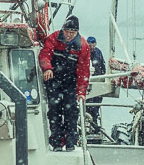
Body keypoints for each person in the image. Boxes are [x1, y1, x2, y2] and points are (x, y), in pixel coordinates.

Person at [40, 15, 91, 150]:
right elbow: (45, 54)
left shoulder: (83, 46)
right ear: (63, 30)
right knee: (54, 112)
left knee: (71, 112)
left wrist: (81, 92)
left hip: (70, 83)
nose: (68, 35)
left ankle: (70, 142)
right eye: (67, 31)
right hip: (54, 81)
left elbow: (83, 72)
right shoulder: (54, 38)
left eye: (72, 32)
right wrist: (47, 69)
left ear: (76, 32)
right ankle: (56, 142)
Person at [85, 35, 106, 125]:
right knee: (88, 102)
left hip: (97, 80)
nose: (91, 46)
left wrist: (103, 77)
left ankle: (94, 120)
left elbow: (103, 65)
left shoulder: (98, 52)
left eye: (93, 44)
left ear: (95, 44)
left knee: (97, 102)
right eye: (89, 44)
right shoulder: (84, 52)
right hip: (87, 81)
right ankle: (89, 120)